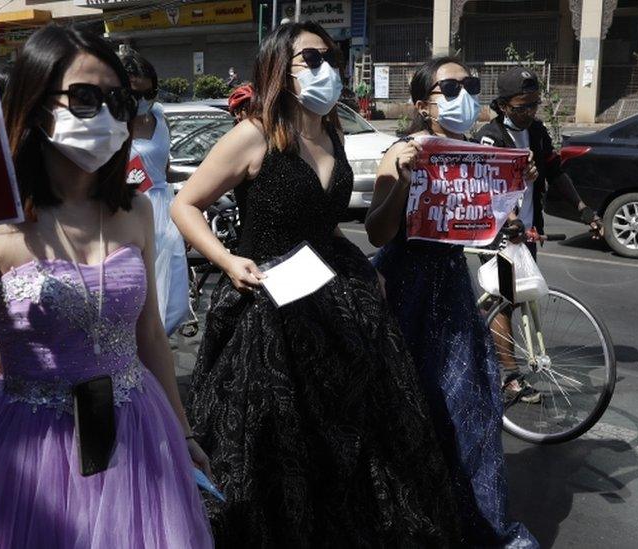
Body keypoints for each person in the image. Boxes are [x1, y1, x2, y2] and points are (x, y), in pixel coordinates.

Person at [0, 25, 212, 547]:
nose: (105, 114)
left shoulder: (136, 209)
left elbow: (151, 337)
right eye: (84, 97)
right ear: (34, 104)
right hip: (29, 449)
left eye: (118, 100)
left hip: (136, 434)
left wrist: (183, 431)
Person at [171, 22, 459, 546]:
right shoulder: (253, 133)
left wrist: (363, 267)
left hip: (339, 300)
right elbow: (184, 204)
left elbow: (324, 224)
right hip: (270, 313)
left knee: (359, 437)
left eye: (332, 56)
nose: (328, 67)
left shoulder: (332, 131)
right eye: (312, 57)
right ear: (280, 65)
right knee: (282, 446)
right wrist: (228, 259)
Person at [366, 56, 539, 548]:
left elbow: (485, 225)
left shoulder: (472, 153)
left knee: (470, 409)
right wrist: (402, 178)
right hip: (403, 293)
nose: (462, 94)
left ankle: (475, 524)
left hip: (452, 292)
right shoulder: (403, 149)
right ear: (422, 104)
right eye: (448, 87)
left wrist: (515, 184)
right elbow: (378, 231)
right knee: (409, 412)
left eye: (470, 85)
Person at [473, 66, 604, 404]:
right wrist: (509, 220)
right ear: (503, 106)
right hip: (498, 234)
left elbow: (557, 172)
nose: (529, 112)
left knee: (516, 298)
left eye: (534, 104)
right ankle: (511, 377)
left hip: (529, 232)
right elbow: (485, 186)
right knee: (504, 302)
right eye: (521, 106)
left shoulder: (538, 132)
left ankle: (479, 335)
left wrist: (583, 209)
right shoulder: (491, 137)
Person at [122, 50, 190, 336]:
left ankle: (155, 360)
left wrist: (196, 179)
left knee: (172, 295)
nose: (143, 101)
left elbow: (164, 168)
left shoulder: (160, 117)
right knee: (133, 293)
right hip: (126, 212)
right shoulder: (109, 125)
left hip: (165, 213)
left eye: (149, 92)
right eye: (135, 94)